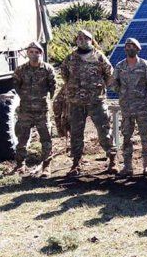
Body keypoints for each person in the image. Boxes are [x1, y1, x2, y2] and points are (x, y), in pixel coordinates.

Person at [60, 29, 116, 177]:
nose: (82, 40)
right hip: (76, 103)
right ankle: (76, 163)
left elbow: (110, 75)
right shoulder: (70, 58)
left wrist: (99, 88)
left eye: (85, 38)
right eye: (79, 38)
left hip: (96, 101)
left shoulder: (99, 57)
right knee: (76, 133)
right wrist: (73, 89)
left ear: (91, 40)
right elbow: (64, 74)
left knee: (104, 131)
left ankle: (112, 160)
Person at [111, 38, 147, 177]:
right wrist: (123, 93)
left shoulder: (145, 65)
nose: (129, 48)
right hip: (126, 108)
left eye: (133, 46)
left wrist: (144, 97)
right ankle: (127, 167)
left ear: (138, 49)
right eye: (127, 46)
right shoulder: (120, 66)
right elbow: (114, 84)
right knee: (126, 138)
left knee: (145, 138)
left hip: (143, 108)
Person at [12, 42, 57, 177]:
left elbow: (53, 87)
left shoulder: (48, 69)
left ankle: (46, 166)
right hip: (25, 110)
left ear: (41, 53)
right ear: (27, 53)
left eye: (36, 52)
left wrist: (45, 101)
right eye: (31, 52)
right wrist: (26, 98)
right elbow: (16, 86)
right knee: (22, 138)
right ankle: (20, 165)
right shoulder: (20, 70)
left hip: (42, 111)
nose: (33, 54)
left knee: (46, 139)